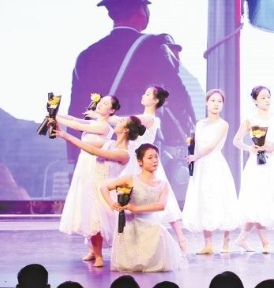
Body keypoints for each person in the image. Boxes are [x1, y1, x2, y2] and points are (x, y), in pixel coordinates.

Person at [67, 0, 196, 169]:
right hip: (138, 147)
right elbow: (178, 96)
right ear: (140, 11)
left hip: (96, 149)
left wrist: (73, 160)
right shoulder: (153, 47)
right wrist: (194, 136)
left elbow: (76, 110)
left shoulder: (86, 56)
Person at [97, 86, 187, 252]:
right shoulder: (145, 117)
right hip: (133, 161)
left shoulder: (149, 118)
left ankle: (181, 239)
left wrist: (103, 114)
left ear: (155, 100)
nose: (143, 96)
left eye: (147, 94)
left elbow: (123, 120)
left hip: (145, 162)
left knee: (165, 202)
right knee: (128, 199)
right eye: (144, 93)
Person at [55, 116, 144, 267]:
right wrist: (60, 130)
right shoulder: (108, 143)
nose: (117, 122)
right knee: (93, 222)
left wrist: (65, 135)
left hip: (108, 189)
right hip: (93, 186)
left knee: (109, 224)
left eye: (121, 122)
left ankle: (122, 253)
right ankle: (97, 255)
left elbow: (92, 151)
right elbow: (85, 144)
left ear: (125, 130)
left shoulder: (124, 153)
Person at [101, 143, 188, 272]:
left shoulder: (163, 184)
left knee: (160, 232)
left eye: (156, 157)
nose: (154, 160)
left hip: (150, 224)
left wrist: (134, 208)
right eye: (150, 157)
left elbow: (161, 206)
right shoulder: (130, 179)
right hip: (131, 226)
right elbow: (104, 187)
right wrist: (111, 204)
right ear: (140, 161)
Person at [234, 86, 274, 253]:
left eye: (268, 96)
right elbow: (236, 140)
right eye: (262, 97)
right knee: (257, 199)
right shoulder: (250, 119)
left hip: (273, 161)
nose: (267, 100)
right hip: (256, 163)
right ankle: (264, 242)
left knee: (265, 199)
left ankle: (242, 239)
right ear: (255, 100)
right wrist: (250, 148)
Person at [57, 95, 117, 261]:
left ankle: (98, 254)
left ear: (112, 110)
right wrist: (54, 113)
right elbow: (74, 119)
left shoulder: (104, 127)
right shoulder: (94, 122)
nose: (101, 104)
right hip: (84, 166)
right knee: (85, 205)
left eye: (105, 103)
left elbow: (76, 125)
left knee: (94, 207)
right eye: (101, 102)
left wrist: (55, 118)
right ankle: (92, 249)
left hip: (95, 167)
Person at [182, 89, 239, 254]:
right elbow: (198, 144)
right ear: (207, 102)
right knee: (204, 199)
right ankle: (208, 244)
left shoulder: (223, 124)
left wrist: (196, 156)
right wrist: (193, 155)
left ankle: (226, 241)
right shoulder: (200, 124)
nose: (216, 104)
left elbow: (211, 146)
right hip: (201, 166)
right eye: (213, 100)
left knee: (221, 198)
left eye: (219, 101)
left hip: (214, 164)